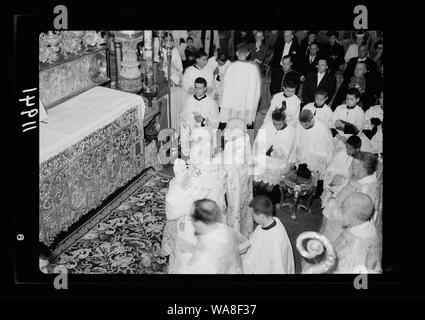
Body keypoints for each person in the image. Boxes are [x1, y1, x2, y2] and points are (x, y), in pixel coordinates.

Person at [321, 151, 380, 243]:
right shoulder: (358, 178)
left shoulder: (366, 190)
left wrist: (333, 205)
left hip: (341, 231)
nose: (350, 168)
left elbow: (354, 218)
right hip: (334, 222)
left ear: (363, 169)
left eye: (353, 166)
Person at [178, 199, 243, 274]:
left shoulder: (203, 258)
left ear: (198, 222)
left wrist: (185, 256)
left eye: (191, 218)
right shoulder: (226, 230)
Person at [218, 118, 254, 238]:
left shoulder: (242, 141)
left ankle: (238, 228)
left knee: (238, 201)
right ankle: (236, 225)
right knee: (235, 202)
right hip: (235, 175)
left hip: (238, 176)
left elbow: (247, 158)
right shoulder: (235, 140)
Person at [241, 196, 295, 274]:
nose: (252, 218)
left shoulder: (272, 240)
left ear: (262, 216)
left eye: (253, 216)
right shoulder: (273, 220)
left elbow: (275, 267)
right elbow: (253, 240)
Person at [332, 193, 382, 273]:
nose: (340, 212)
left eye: (343, 209)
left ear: (353, 216)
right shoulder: (364, 227)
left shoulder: (357, 244)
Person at [218, 43, 262, 127]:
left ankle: (219, 140)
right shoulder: (254, 68)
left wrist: (221, 104)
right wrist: (254, 107)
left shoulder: (231, 67)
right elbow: (257, 92)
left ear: (236, 53)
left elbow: (223, 87)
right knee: (248, 129)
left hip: (230, 105)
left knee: (223, 126)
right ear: (248, 53)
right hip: (246, 105)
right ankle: (250, 140)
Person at [252, 109, 296, 191]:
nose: (277, 126)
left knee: (268, 187)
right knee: (255, 183)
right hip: (262, 159)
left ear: (284, 120)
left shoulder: (291, 130)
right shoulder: (266, 125)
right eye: (275, 124)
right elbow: (258, 142)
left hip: (277, 163)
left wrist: (273, 151)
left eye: (280, 124)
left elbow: (287, 150)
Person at [180, 77, 220, 157]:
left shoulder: (211, 103)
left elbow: (216, 123)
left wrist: (203, 120)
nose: (197, 90)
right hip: (191, 134)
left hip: (205, 135)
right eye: (196, 87)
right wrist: (188, 127)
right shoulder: (188, 101)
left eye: (200, 88)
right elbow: (183, 117)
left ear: (205, 89)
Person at [321, 135, 362, 206]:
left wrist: (342, 181)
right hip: (333, 182)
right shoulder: (342, 152)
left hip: (346, 186)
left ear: (357, 149)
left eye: (350, 149)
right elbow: (330, 168)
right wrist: (331, 179)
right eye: (347, 147)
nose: (347, 150)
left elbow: (356, 178)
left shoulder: (360, 160)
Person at [161, 33, 184, 136]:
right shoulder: (160, 50)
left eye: (170, 40)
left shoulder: (175, 51)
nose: (168, 43)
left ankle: (175, 129)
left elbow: (180, 68)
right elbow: (159, 66)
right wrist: (164, 65)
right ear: (163, 40)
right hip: (164, 80)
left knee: (175, 107)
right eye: (166, 40)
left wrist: (171, 64)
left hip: (174, 80)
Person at [332, 88, 365, 153]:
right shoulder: (339, 108)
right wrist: (339, 137)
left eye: (351, 99)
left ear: (357, 100)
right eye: (347, 98)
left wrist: (342, 125)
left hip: (349, 140)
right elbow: (331, 124)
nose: (348, 101)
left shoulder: (359, 112)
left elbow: (357, 130)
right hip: (336, 137)